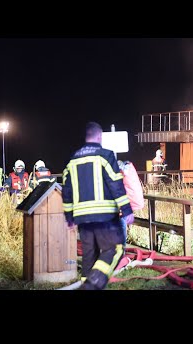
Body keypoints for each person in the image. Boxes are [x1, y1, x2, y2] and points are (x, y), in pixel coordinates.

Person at [62, 122, 134, 290]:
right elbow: (116, 184)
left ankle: (86, 283)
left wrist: (69, 217)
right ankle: (91, 285)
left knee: (89, 255)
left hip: (82, 218)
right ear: (100, 136)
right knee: (115, 249)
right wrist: (127, 210)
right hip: (105, 216)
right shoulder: (105, 155)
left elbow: (67, 191)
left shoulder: (73, 160)